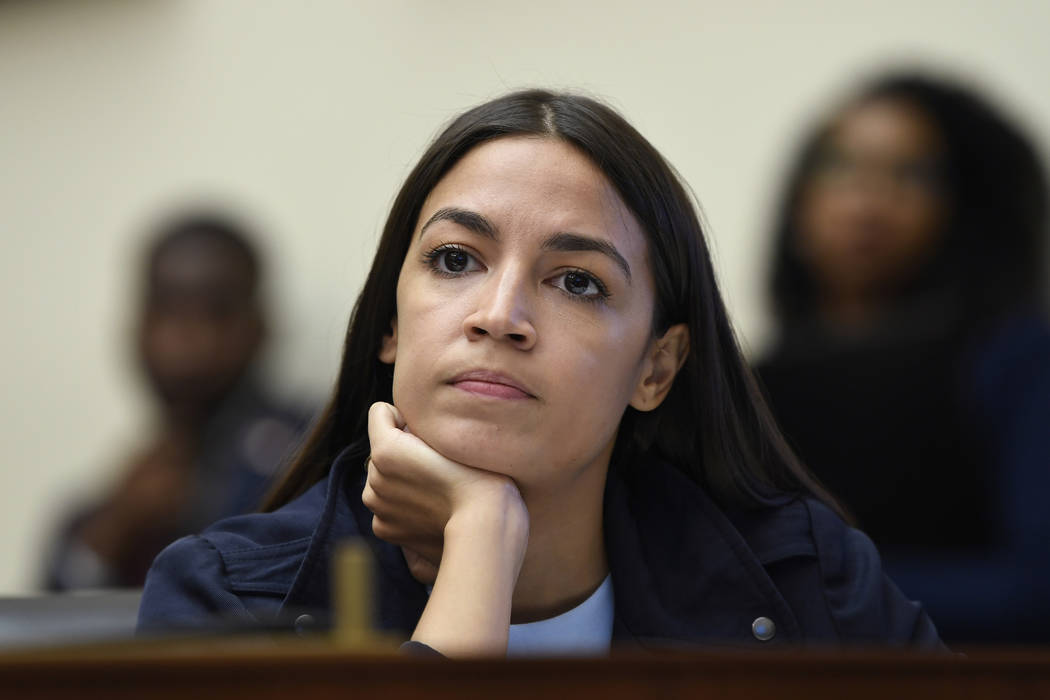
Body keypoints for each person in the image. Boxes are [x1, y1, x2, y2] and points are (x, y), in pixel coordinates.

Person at [138, 90, 942, 655]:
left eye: (577, 281)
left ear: (656, 369)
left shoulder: (811, 585)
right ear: (390, 323)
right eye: (456, 260)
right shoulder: (228, 598)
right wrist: (481, 541)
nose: (499, 314)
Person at [755, 73, 1050, 644]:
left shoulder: (1015, 360)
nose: (869, 199)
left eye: (911, 174)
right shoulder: (752, 381)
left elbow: (1035, 590)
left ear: (967, 205)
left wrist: (823, 585)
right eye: (841, 165)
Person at [45, 213, 309, 590]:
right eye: (168, 308)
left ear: (260, 327)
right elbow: (43, 630)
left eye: (217, 311)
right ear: (136, 328)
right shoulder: (105, 510)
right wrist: (112, 532)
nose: (190, 337)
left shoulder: (316, 460)